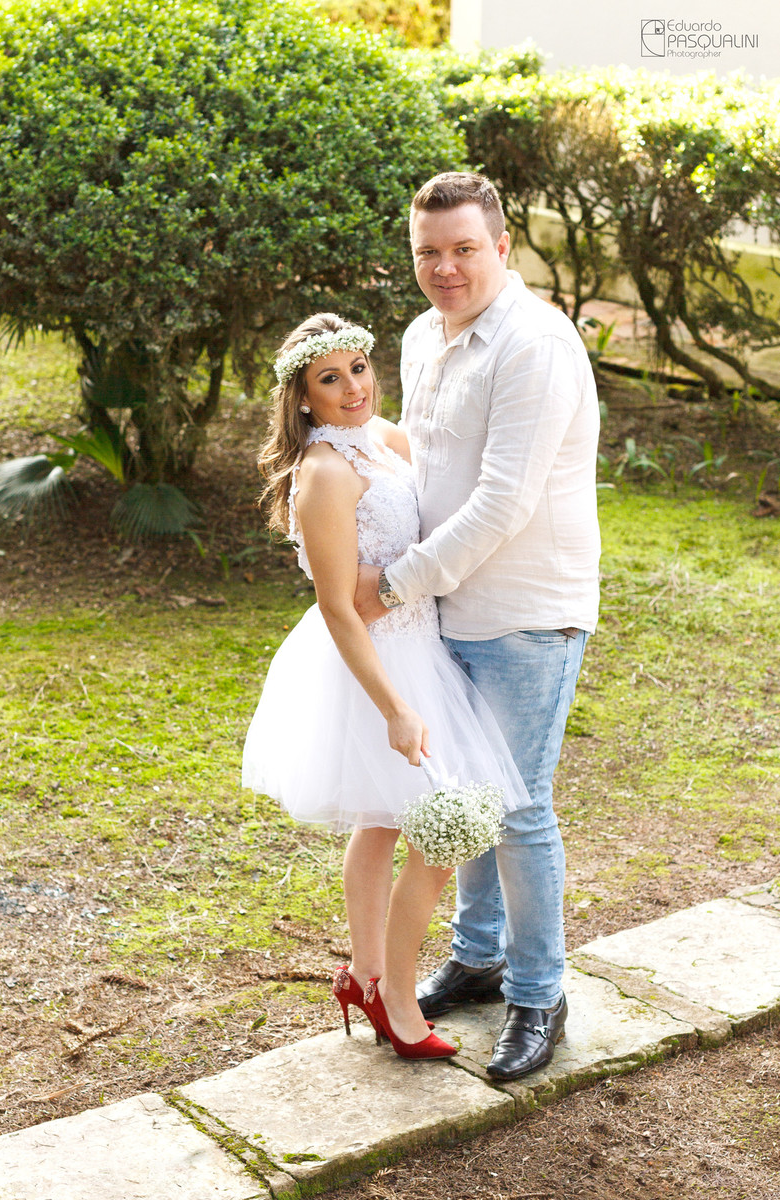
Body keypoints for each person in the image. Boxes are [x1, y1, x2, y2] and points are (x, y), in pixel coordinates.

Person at [354, 172, 601, 1081]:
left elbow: (502, 500)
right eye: (428, 252)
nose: (444, 268)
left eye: (463, 249)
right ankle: (480, 952)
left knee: (514, 806)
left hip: (525, 610)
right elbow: (418, 460)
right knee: (456, 793)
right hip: (441, 611)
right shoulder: (423, 334)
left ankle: (540, 995)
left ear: (502, 247)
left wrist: (391, 584)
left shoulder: (534, 345)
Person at [242, 312, 531, 1062]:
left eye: (358, 370)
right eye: (328, 379)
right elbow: (337, 606)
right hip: (374, 668)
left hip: (423, 649)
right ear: (302, 397)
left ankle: (366, 977)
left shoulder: (387, 439)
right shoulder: (326, 472)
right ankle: (397, 1001)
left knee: (385, 825)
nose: (350, 388)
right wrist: (395, 708)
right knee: (444, 833)